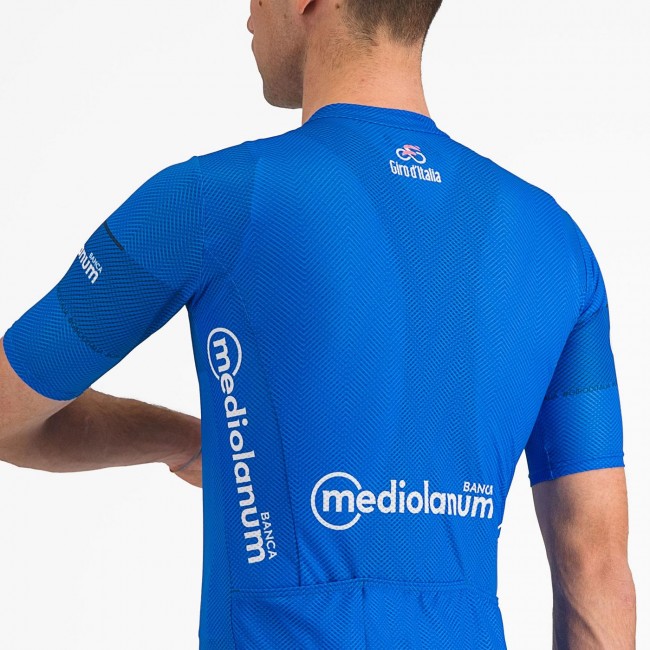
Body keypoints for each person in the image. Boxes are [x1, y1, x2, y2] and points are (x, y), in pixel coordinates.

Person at [0, 0, 637, 647]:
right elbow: (597, 568)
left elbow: (5, 413)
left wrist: (184, 441)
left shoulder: (208, 200)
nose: (248, 14)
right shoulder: (556, 244)